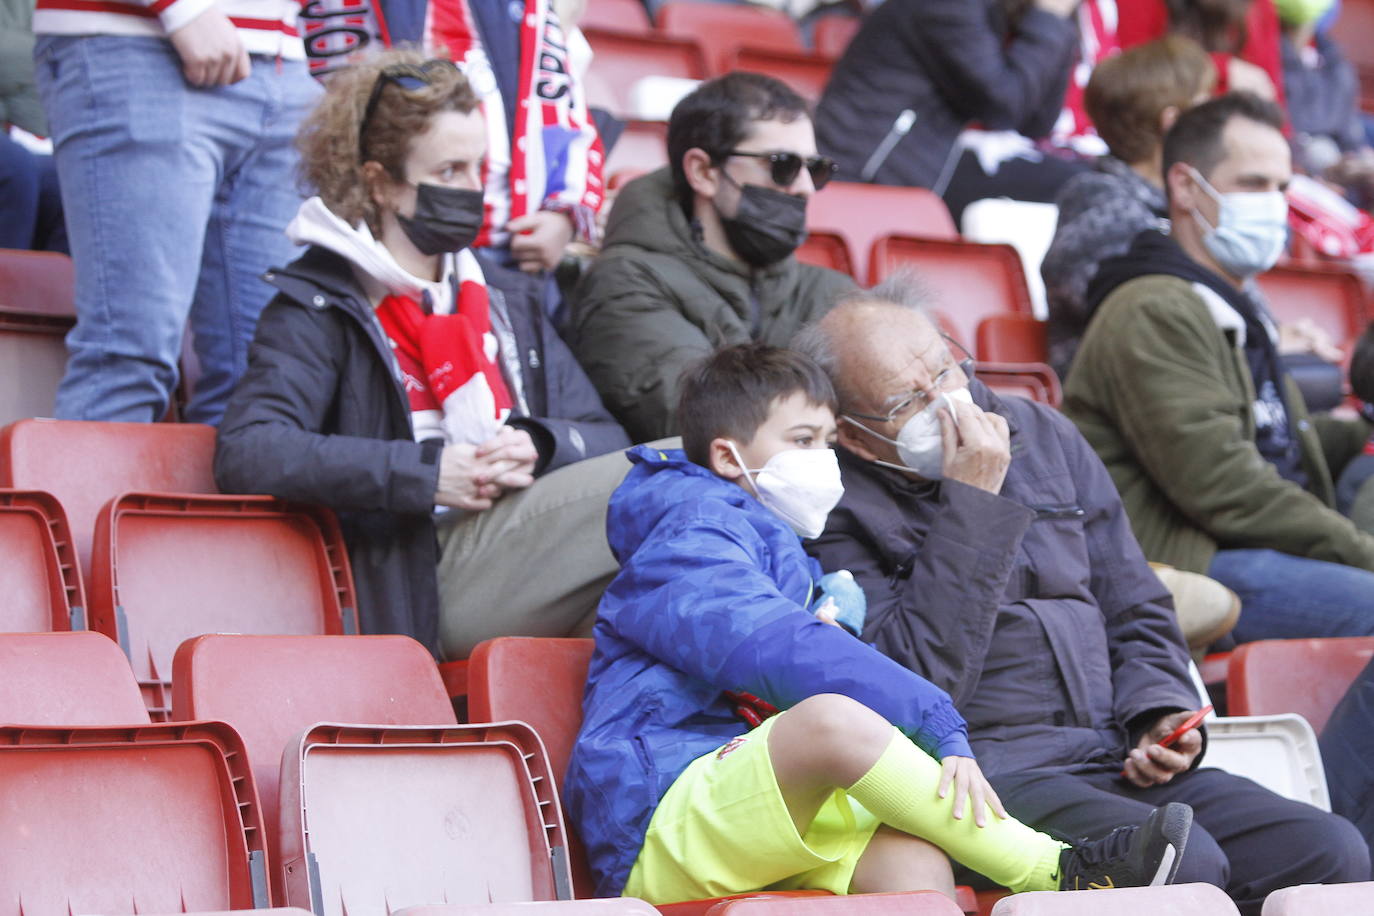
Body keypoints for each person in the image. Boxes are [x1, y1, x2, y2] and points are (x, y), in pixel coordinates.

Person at [793, 282, 1370, 914]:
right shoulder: (832, 502)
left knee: (1327, 853)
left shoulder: (1041, 432)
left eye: (944, 369)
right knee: (1185, 866)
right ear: (852, 434)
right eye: (908, 401)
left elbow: (1136, 602)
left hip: (1107, 752)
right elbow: (909, 680)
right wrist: (973, 506)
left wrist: (1157, 711)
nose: (946, 405)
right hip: (977, 771)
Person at [564, 342, 1193, 905]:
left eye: (830, 441)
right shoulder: (686, 535)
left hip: (757, 806)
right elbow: (776, 647)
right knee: (828, 720)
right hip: (663, 816)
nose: (824, 460)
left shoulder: (784, 549)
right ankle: (1055, 869)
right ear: (729, 456)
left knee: (913, 859)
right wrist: (934, 718)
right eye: (804, 440)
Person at [214, 49, 630, 659]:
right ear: (381, 182)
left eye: (479, 168)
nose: (472, 189)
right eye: (449, 170)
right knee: (686, 468)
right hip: (417, 578)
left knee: (666, 548)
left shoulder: (505, 295)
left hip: (522, 550)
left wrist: (541, 443)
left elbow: (605, 434)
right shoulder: (320, 303)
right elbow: (249, 450)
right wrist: (427, 473)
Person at [1064, 92, 1374, 643]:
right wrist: (1360, 551)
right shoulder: (1153, 307)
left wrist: (1358, 433)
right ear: (1184, 187)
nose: (1274, 205)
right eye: (1254, 184)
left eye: (1282, 187)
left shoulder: (1227, 301)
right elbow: (1223, 484)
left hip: (1248, 548)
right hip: (1187, 565)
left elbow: (1271, 436)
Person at [32, 0, 322, 423]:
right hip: (138, 40)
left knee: (266, 377)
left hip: (283, 58)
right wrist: (178, 8)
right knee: (129, 357)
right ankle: (93, 491)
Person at [569, 72, 855, 444]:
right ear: (703, 172)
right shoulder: (626, 282)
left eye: (815, 169)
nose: (803, 188)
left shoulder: (831, 291)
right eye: (782, 165)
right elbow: (715, 428)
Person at [814, 0, 1084, 226]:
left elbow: (1037, 122)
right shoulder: (947, 5)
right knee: (1076, 187)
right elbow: (1004, 104)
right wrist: (1048, 20)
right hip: (864, 171)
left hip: (919, 164)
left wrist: (1063, 24)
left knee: (1082, 181)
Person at [1042, 36, 1217, 378]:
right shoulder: (1096, 199)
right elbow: (1147, 320)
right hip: (1127, 397)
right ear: (1173, 122)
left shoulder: (1192, 203)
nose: (1220, 126)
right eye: (1206, 105)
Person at [1277, 0, 1374, 206]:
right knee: (1321, 151)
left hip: (1341, 163)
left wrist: (1359, 157)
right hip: (1295, 161)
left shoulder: (1331, 54)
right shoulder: (1262, 50)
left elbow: (1350, 129)